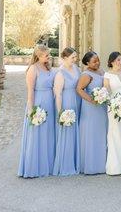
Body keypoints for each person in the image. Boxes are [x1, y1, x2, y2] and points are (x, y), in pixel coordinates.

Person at [18, 45, 56, 178]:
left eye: (48, 55)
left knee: (48, 133)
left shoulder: (47, 66)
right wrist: (31, 110)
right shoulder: (33, 69)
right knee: (36, 134)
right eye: (46, 55)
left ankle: (48, 165)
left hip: (50, 103)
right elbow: (30, 91)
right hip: (39, 103)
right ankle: (34, 166)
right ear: (38, 56)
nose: (48, 57)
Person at [76, 51, 107, 174]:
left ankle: (102, 162)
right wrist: (92, 100)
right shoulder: (86, 74)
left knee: (101, 132)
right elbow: (79, 89)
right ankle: (91, 164)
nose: (97, 62)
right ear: (87, 63)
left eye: (98, 60)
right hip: (91, 108)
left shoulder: (101, 71)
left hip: (101, 107)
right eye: (94, 61)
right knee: (91, 133)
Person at [53, 47, 81, 176]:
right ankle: (66, 164)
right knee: (68, 133)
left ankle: (77, 161)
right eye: (72, 58)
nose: (75, 60)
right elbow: (58, 94)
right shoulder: (60, 73)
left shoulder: (76, 69)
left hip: (78, 101)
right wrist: (60, 113)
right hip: (67, 102)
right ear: (64, 58)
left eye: (76, 57)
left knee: (77, 131)